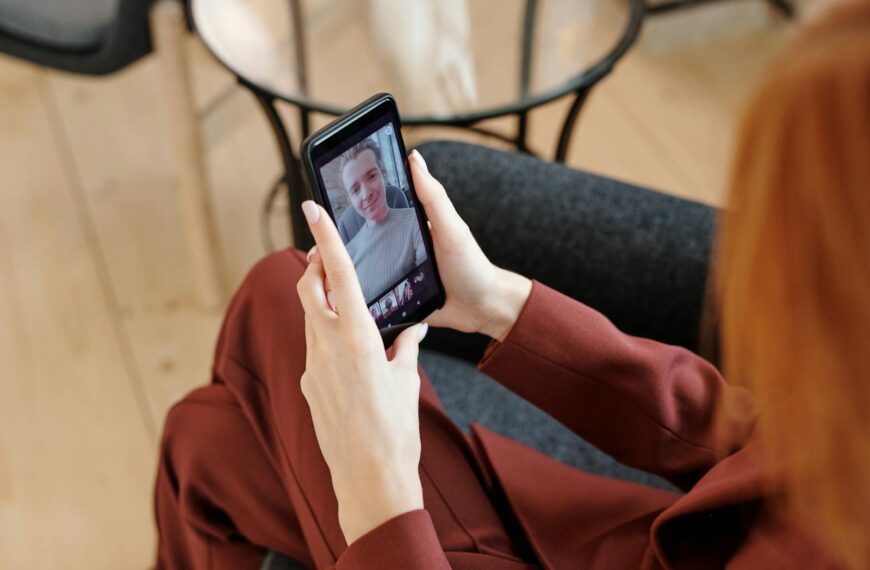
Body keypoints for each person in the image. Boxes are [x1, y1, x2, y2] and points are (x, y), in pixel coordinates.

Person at [154, 4, 869, 569]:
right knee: (207, 446)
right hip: (624, 537)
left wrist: (382, 496)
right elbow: (757, 434)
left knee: (270, 312)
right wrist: (496, 302)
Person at [336, 139, 426, 301]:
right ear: (350, 199)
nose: (366, 194)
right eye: (355, 190)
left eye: (371, 176)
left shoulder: (415, 221)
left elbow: (426, 283)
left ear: (384, 174)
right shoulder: (348, 256)